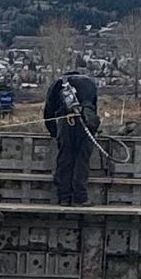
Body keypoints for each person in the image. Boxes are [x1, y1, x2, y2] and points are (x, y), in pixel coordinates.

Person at [42, 69, 101, 205]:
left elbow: (49, 112)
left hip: (66, 122)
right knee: (82, 161)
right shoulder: (90, 83)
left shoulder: (58, 84)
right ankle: (80, 198)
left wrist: (54, 133)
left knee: (65, 159)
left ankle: (64, 197)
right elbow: (94, 109)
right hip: (86, 123)